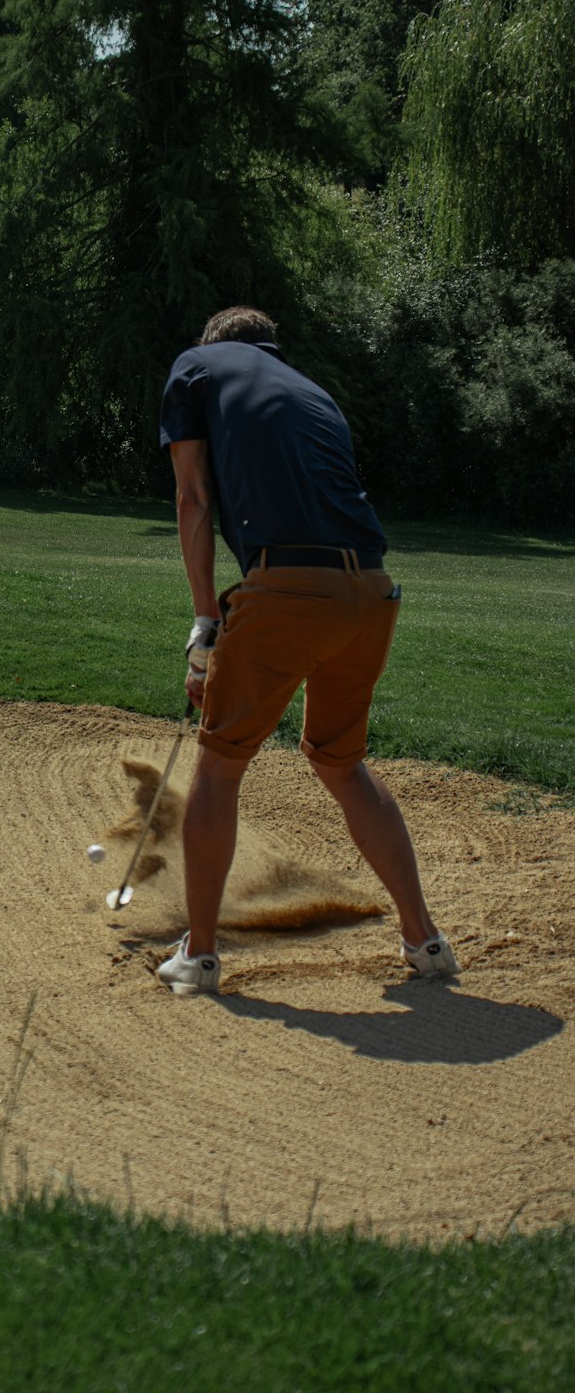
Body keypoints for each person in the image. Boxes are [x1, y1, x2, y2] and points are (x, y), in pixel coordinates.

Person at [155, 305, 459, 996]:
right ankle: (425, 941)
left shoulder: (196, 366)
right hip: (371, 593)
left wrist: (207, 619)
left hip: (290, 590)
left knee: (221, 765)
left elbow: (194, 497)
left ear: (214, 346)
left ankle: (199, 956)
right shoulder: (311, 392)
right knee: (339, 761)